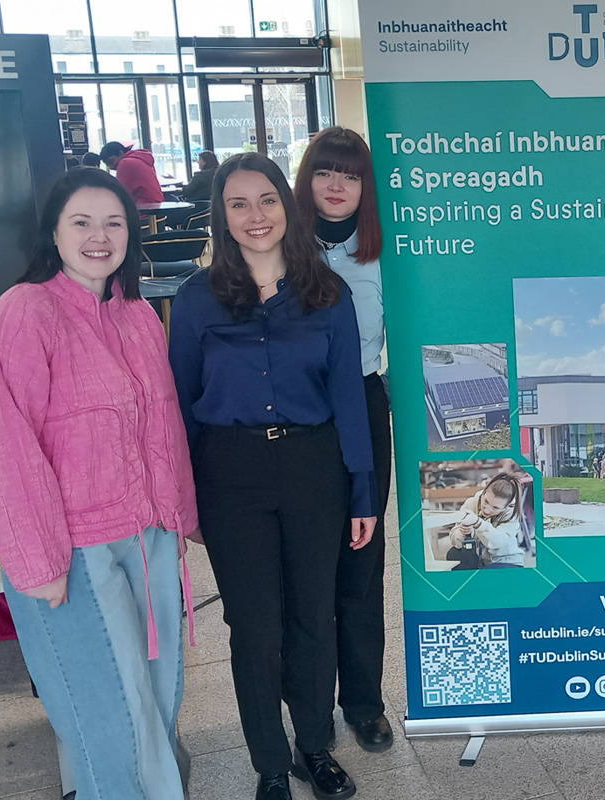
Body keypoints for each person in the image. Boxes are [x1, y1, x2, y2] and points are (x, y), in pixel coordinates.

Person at [0, 167, 196, 799]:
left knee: (156, 695)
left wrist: (181, 514)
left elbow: (165, 424)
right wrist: (37, 564)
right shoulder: (22, 314)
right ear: (53, 234)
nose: (100, 236)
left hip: (149, 536)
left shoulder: (137, 314)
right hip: (74, 549)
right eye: (82, 222)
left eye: (114, 222)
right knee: (107, 716)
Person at [168, 152, 375, 800]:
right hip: (231, 473)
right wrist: (186, 500)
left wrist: (362, 489)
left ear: (287, 207)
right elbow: (179, 405)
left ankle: (314, 746)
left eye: (266, 200)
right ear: (221, 216)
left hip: (315, 468)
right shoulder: (196, 299)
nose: (255, 216)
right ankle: (269, 764)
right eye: (238, 204)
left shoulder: (327, 293)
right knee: (254, 626)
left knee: (313, 616)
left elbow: (348, 397)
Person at [294, 125, 396, 755]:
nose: (336, 185)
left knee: (360, 561)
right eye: (325, 172)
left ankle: (362, 702)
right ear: (305, 180)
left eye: (351, 174)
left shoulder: (384, 252)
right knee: (306, 567)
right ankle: (309, 709)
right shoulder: (281, 244)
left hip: (361, 401)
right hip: (298, 417)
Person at [438, 473, 530, 568]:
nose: (487, 509)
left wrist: (478, 523)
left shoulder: (512, 514)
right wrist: (463, 533)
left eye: (495, 507)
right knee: (454, 554)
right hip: (480, 559)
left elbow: (497, 542)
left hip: (506, 561)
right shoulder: (471, 503)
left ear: (506, 507)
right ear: (484, 492)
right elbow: (454, 539)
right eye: (486, 501)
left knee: (489, 571)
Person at [101, 141, 164, 205]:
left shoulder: (125, 163)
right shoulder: (140, 159)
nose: (111, 167)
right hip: (155, 205)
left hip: (143, 208)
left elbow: (122, 193)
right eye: (108, 165)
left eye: (111, 161)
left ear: (121, 153)